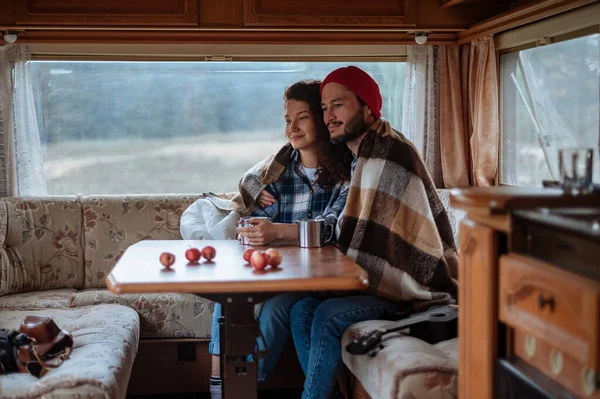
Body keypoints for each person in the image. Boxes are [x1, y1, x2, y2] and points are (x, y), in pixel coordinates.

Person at [288, 66, 459, 399]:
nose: (329, 117)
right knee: (299, 310)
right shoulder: (362, 153)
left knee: (324, 314)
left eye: (338, 105)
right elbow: (358, 232)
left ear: (367, 107)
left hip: (413, 290)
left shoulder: (389, 152)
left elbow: (384, 245)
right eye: (324, 108)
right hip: (381, 284)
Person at [200, 80, 352, 399]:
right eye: (287, 120)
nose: (292, 128)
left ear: (323, 120)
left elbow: (332, 227)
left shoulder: (349, 175)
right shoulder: (280, 172)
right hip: (279, 270)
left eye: (302, 117)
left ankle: (247, 381)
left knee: (276, 310)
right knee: (228, 296)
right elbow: (251, 196)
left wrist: (277, 232)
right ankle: (219, 384)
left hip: (319, 278)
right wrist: (254, 226)